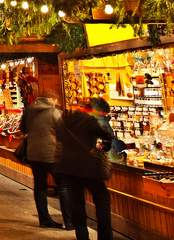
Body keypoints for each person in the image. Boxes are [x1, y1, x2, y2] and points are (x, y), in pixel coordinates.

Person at [54, 98, 113, 240]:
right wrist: (103, 146)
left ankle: (82, 236)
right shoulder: (89, 120)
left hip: (68, 166)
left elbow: (58, 134)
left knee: (77, 202)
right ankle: (105, 236)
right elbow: (106, 136)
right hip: (87, 166)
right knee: (102, 198)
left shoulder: (65, 118)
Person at [20, 89, 73, 230]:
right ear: (51, 99)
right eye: (55, 101)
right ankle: (70, 221)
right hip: (51, 153)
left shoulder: (29, 110)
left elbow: (23, 128)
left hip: (33, 154)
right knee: (63, 185)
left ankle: (44, 220)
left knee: (40, 186)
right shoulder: (53, 111)